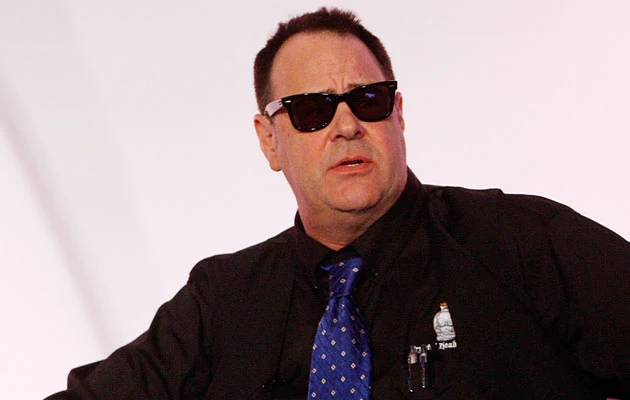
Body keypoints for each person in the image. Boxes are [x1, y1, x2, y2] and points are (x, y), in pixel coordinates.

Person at [46, 7, 629, 400]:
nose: (347, 125)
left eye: (368, 99)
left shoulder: (521, 241)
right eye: (312, 110)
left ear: (398, 115)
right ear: (269, 141)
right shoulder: (220, 304)